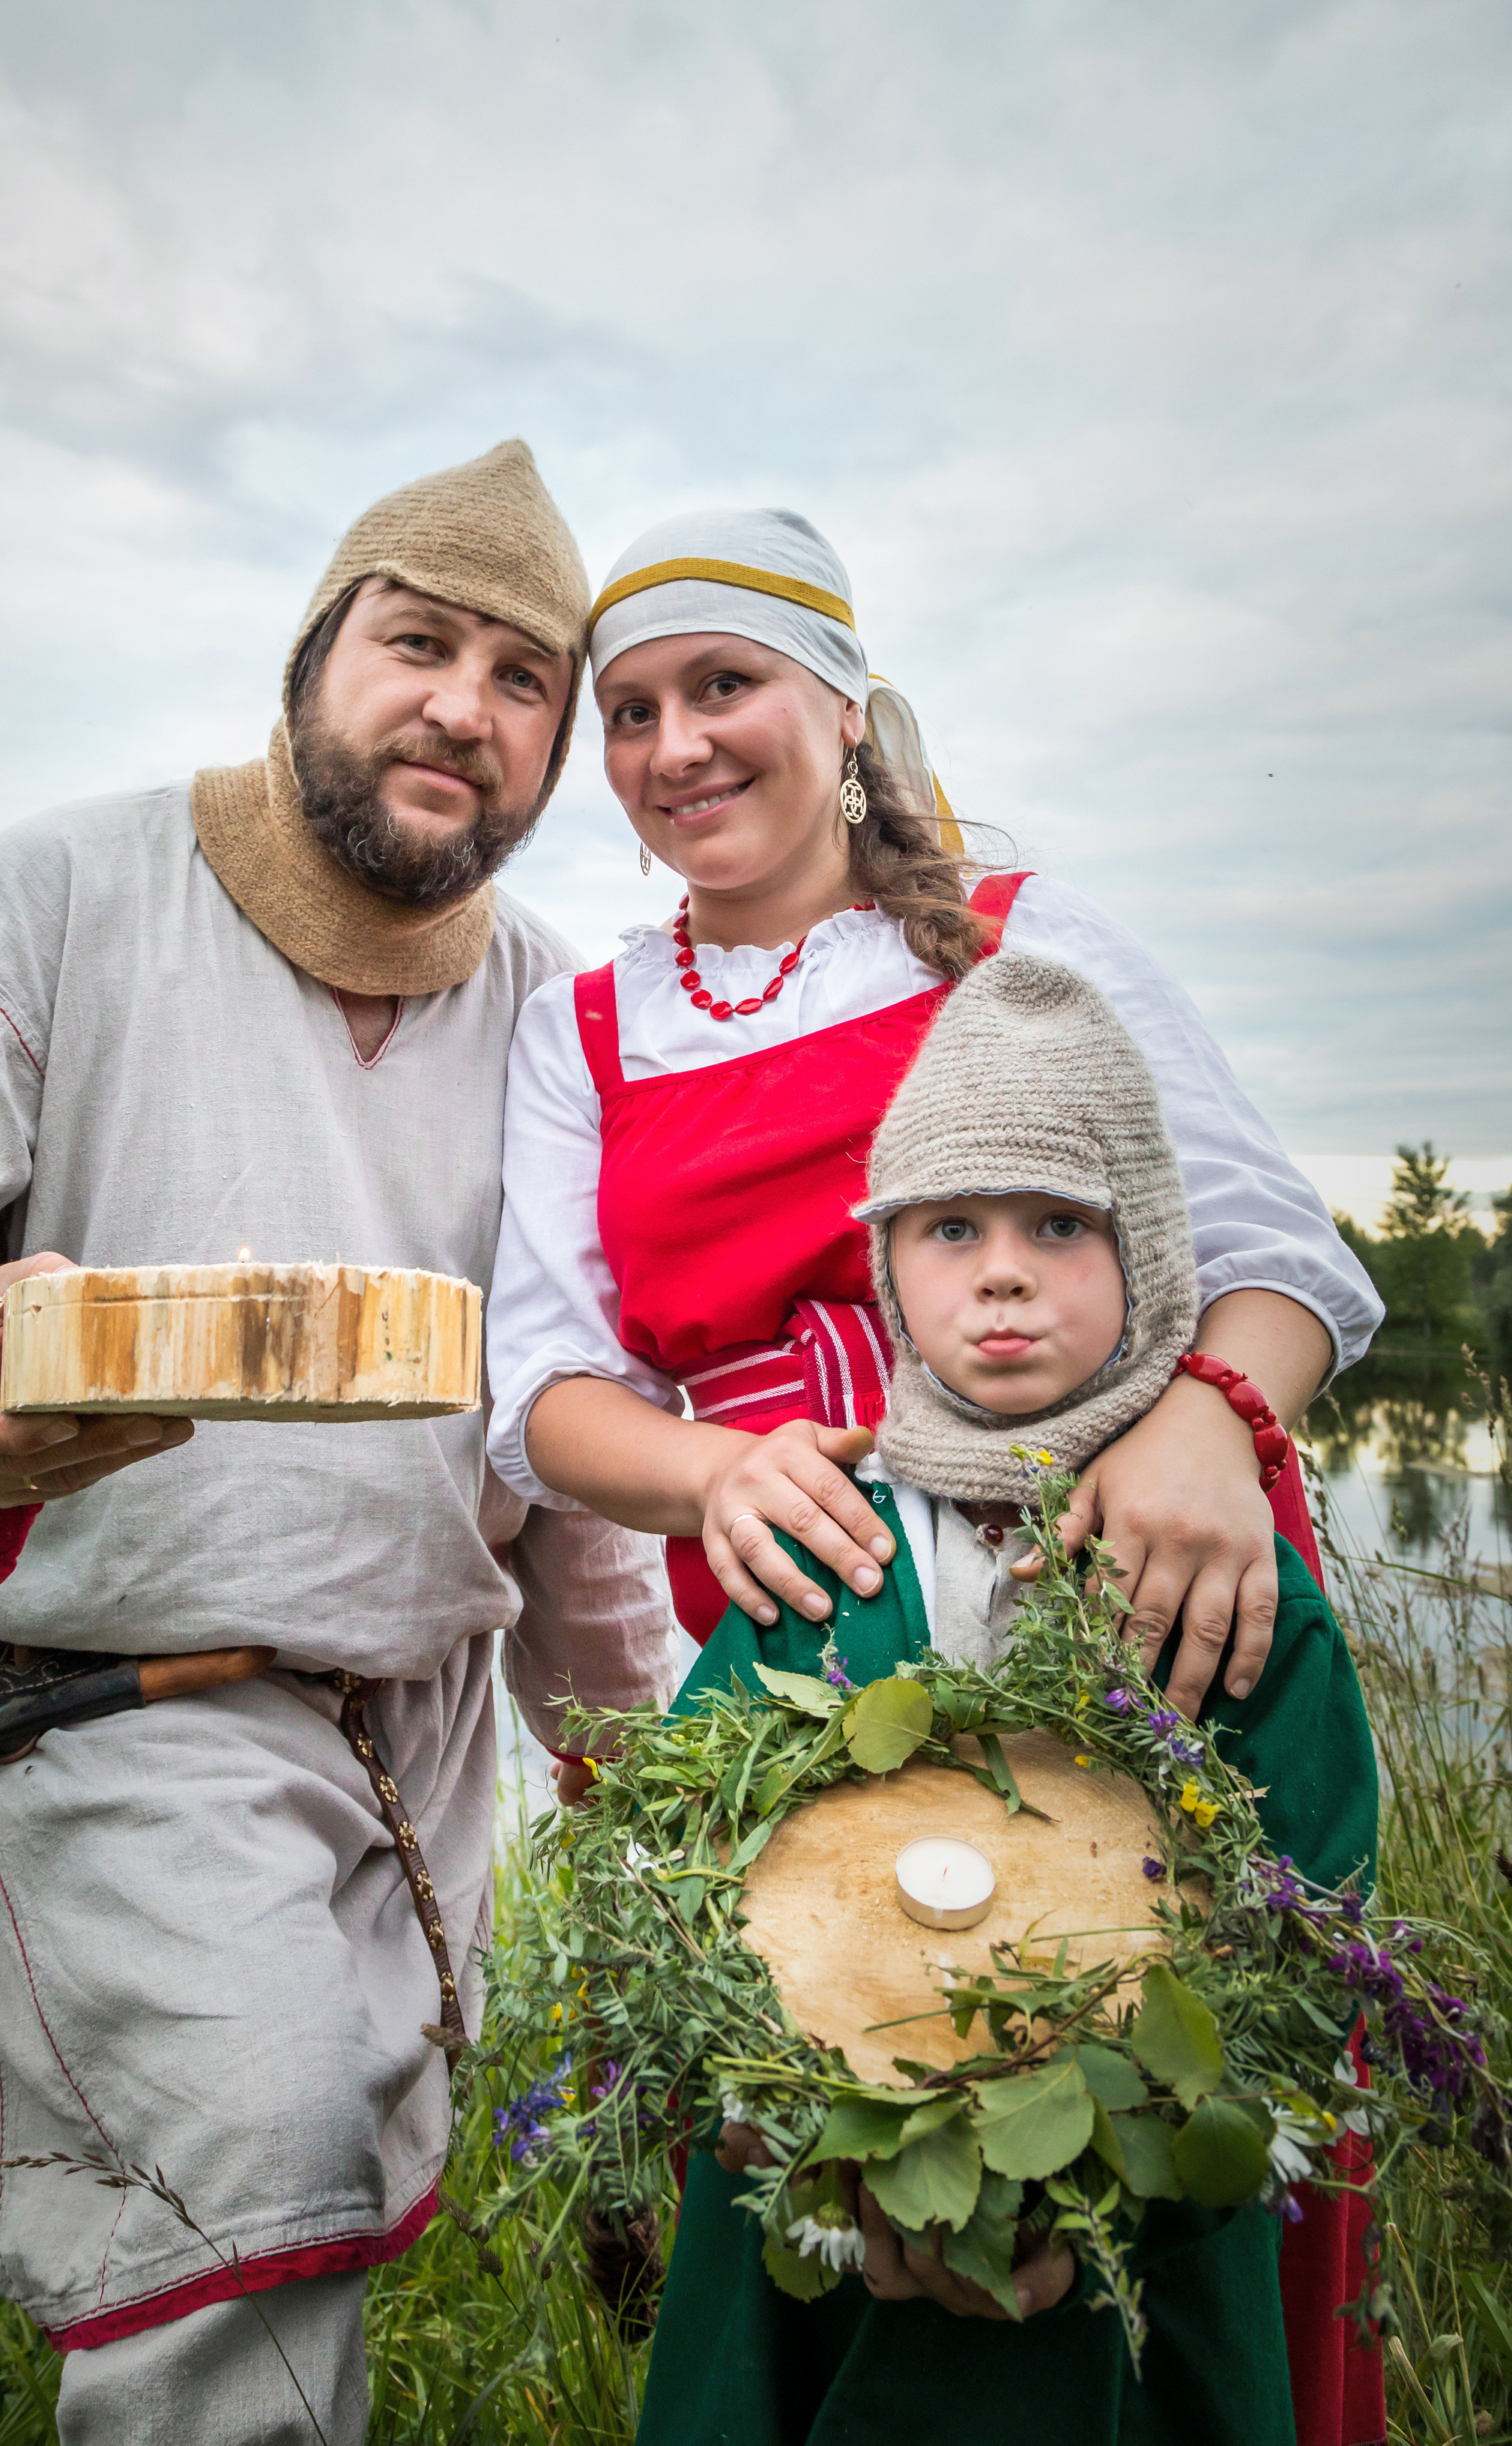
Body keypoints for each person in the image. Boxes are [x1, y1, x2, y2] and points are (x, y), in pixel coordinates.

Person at [0, 440, 674, 2446]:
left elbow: (569, 1413)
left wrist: (631, 1755)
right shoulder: (69, 890)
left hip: (415, 1738)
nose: (463, 707)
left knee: (317, 2225)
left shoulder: (556, 1011)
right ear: (313, 653)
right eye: (418, 645)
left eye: (523, 679)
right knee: (260, 2171)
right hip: (109, 1708)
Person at [481, 505, 1385, 2443]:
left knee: (1153, 2128)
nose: (674, 745)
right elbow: (539, 1389)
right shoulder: (587, 1025)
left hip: (1123, 1585)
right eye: (630, 711)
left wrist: (1208, 1424)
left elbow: (1276, 1255)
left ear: (841, 705)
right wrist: (717, 1476)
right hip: (825, 1628)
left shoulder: (1019, 935)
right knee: (834, 2135)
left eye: (723, 685)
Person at [649, 948, 1381, 2446]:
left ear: (1149, 1252)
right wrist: (815, 2143)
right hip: (828, 2249)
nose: (1000, 1271)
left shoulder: (1221, 1583)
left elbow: (1306, 1944)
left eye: (1060, 1223)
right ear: (885, 1266)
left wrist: (1113, 2179)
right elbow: (681, 1877)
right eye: (950, 1227)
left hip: (1129, 2276)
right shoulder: (816, 1561)